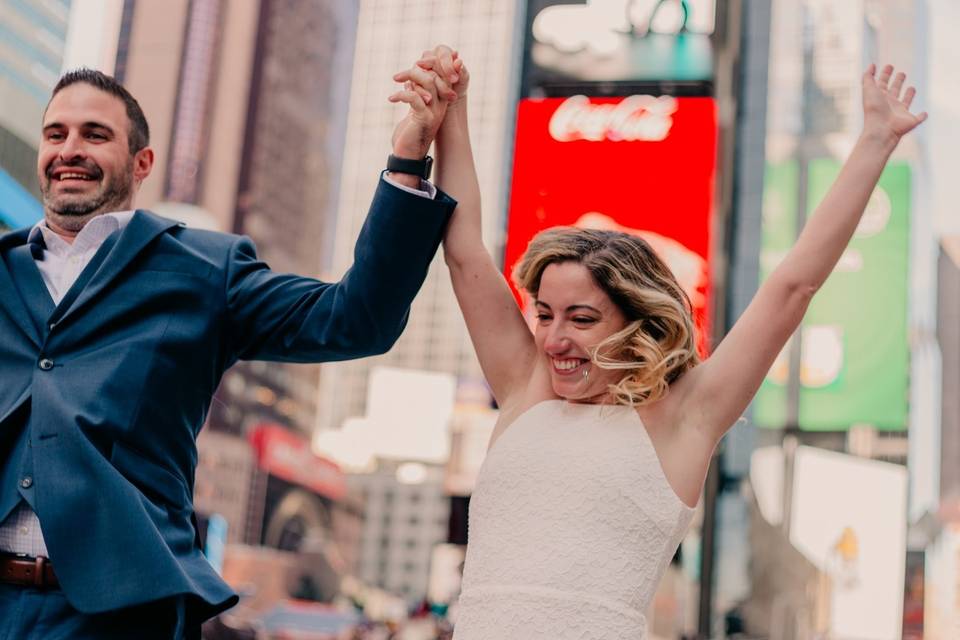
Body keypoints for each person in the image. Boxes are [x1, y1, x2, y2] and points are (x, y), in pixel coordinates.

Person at [393, 48, 925, 639]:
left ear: (634, 322)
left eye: (582, 318)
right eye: (544, 314)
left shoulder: (682, 417)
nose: (555, 337)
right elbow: (465, 251)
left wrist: (877, 139)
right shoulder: (525, 386)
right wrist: (453, 110)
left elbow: (791, 288)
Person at [0, 62, 458, 639]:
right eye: (55, 134)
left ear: (142, 163)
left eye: (95, 134)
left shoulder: (203, 269)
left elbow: (356, 320)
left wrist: (407, 161)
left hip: (115, 618)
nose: (69, 149)